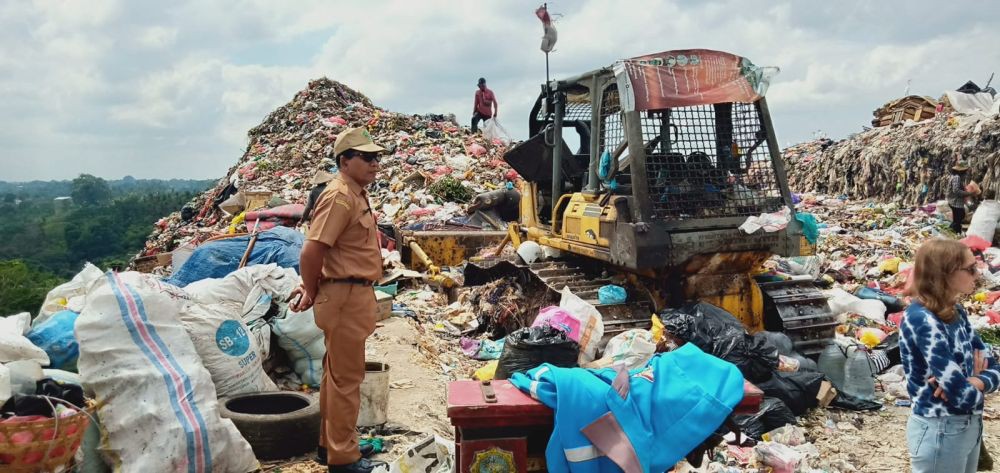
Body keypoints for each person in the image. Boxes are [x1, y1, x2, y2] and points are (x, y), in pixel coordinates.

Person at [289, 127, 386, 473]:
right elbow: (312, 250)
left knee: (336, 377)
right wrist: (310, 288)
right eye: (367, 157)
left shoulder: (354, 193)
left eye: (377, 157)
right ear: (344, 161)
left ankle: (328, 447)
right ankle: (344, 459)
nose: (376, 163)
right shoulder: (340, 196)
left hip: (352, 293)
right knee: (347, 380)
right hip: (344, 295)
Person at [900, 238, 1000, 472]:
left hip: (966, 427)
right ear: (944, 273)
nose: (977, 275)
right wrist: (969, 383)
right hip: (941, 430)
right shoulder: (922, 319)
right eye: (970, 269)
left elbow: (994, 365)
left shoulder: (956, 312)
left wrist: (977, 380)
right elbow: (962, 396)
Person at [948, 160, 978, 234]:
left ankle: (953, 230)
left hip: (955, 201)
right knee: (959, 218)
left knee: (958, 217)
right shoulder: (957, 177)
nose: (966, 172)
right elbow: (956, 191)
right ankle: (954, 232)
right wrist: (969, 193)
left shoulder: (956, 177)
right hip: (955, 202)